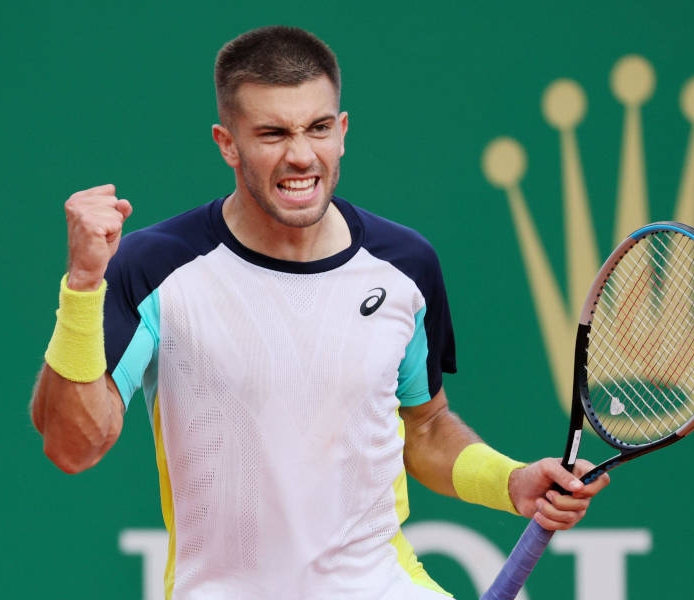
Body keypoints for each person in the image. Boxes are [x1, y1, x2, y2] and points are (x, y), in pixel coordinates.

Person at [30, 25, 609, 600]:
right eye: (273, 133)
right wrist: (83, 286)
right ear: (227, 143)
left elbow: (425, 426)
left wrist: (510, 482)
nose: (301, 155)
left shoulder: (405, 266)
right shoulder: (155, 268)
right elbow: (72, 446)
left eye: (318, 128)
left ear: (343, 131)